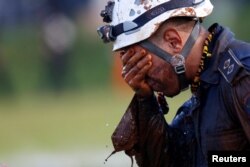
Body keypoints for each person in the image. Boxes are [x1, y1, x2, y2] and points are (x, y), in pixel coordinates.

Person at [97, 0, 250, 166]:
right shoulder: (204, 87)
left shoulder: (242, 76)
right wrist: (145, 98)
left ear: (173, 41)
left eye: (140, 60)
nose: (140, 75)